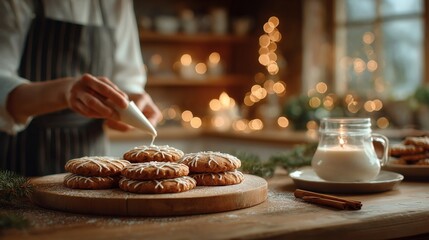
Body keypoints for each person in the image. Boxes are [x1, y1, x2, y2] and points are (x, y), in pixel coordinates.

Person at [0, 0, 162, 176]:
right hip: (22, 154)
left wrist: (131, 103)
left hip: (94, 153)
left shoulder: (117, 3)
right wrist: (65, 92)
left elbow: (126, 77)